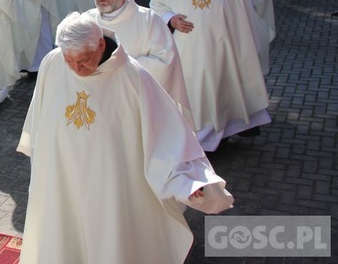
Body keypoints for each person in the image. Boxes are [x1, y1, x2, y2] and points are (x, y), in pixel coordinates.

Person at [17, 13, 234, 263]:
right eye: (70, 60)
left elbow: (167, 136)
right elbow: (41, 118)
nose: (77, 69)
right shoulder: (52, 63)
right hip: (62, 176)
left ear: (100, 45)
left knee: (110, 241)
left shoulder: (132, 77)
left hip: (111, 185)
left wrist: (186, 182)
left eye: (84, 60)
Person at [150, 0, 272, 151]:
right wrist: (171, 19)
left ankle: (220, 134)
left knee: (221, 91)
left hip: (222, 49)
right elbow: (157, 6)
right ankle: (196, 138)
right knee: (194, 94)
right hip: (188, 51)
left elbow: (242, 15)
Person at [86, 0, 192, 125]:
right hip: (98, 106)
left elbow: (165, 62)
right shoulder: (87, 21)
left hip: (136, 107)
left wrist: (119, 70)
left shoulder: (149, 20)